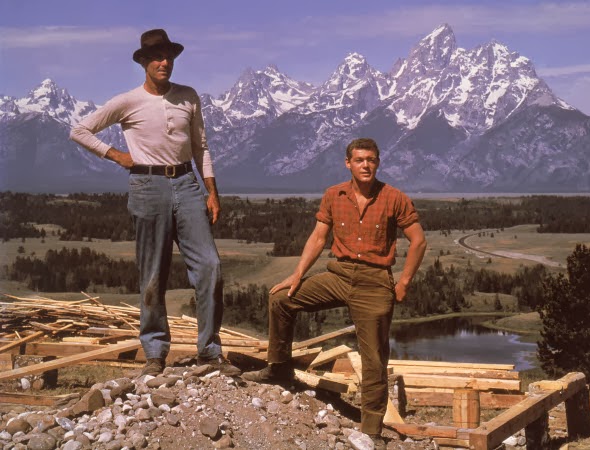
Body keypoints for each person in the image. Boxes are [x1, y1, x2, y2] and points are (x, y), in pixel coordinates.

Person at [70, 29, 240, 377]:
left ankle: (210, 352)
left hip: (187, 183)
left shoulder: (188, 96)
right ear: (144, 62)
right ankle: (154, 352)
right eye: (157, 58)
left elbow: (201, 147)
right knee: (152, 273)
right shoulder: (127, 101)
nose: (164, 63)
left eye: (169, 57)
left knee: (210, 266)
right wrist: (116, 154)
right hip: (147, 186)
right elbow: (79, 130)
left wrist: (212, 191)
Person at [243, 138, 427, 445]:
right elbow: (318, 238)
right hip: (339, 274)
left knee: (374, 358)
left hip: (374, 281)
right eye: (359, 160)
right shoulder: (334, 195)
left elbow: (418, 241)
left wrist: (404, 282)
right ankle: (279, 368)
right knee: (281, 298)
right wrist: (297, 274)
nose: (366, 165)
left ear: (378, 162)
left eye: (371, 160)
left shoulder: (394, 198)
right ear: (348, 163)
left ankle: (371, 430)